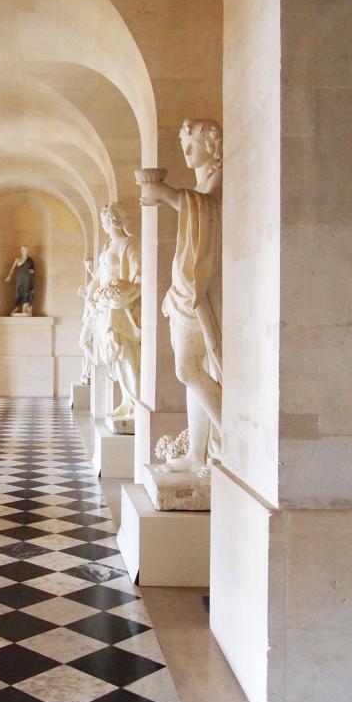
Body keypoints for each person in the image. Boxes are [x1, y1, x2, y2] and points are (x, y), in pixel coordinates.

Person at [139, 118, 223, 472]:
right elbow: (200, 206)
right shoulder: (205, 181)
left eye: (191, 143)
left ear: (212, 143)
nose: (185, 150)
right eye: (183, 143)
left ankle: (231, 433)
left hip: (203, 289)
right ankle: (196, 453)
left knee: (188, 369)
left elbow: (209, 212)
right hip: (189, 288)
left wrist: (169, 195)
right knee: (193, 370)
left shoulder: (221, 177)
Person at [85, 203, 141, 428]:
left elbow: (139, 278)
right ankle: (128, 401)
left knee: (127, 354)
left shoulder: (130, 245)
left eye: (104, 221)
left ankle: (137, 403)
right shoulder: (107, 246)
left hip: (121, 310)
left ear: (111, 221)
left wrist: (122, 296)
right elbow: (98, 278)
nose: (103, 225)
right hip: (105, 309)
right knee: (116, 357)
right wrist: (91, 297)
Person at [77, 258, 95, 383]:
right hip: (89, 315)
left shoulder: (97, 281)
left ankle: (98, 362)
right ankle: (89, 370)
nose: (89, 269)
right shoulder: (94, 281)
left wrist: (83, 295)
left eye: (90, 266)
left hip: (94, 316)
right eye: (87, 267)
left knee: (83, 342)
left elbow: (93, 301)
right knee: (85, 343)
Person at [4, 245, 35, 315]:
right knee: (18, 293)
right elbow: (12, 268)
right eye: (22, 249)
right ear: (21, 250)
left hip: (27, 279)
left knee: (27, 292)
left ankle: (24, 309)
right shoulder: (17, 259)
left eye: (25, 249)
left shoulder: (30, 260)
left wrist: (31, 271)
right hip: (20, 279)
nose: (24, 251)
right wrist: (9, 276)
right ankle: (17, 307)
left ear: (27, 250)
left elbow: (33, 270)